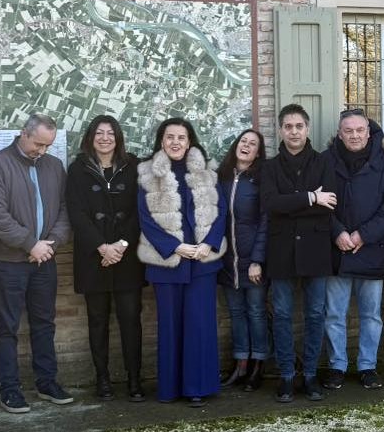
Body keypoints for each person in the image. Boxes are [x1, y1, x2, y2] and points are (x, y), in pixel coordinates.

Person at [0, 113, 73, 414]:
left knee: (44, 323)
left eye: (48, 145)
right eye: (38, 144)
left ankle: (47, 382)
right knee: (7, 327)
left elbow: (65, 209)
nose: (42, 151)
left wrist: (51, 244)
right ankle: (9, 389)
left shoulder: (54, 166)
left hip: (44, 259)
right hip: (7, 261)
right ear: (23, 134)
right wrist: (29, 244)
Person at [137, 118, 227, 407]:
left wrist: (207, 244)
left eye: (181, 137)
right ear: (161, 141)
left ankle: (197, 387)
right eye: (170, 137)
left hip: (202, 261)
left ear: (190, 142)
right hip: (168, 263)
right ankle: (170, 388)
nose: (175, 142)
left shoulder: (207, 173)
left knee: (199, 326)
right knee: (170, 326)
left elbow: (221, 211)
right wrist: (176, 247)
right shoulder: (148, 174)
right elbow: (145, 219)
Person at [322, 109, 384, 391]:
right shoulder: (325, 161)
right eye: (348, 131)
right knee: (334, 315)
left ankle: (368, 366)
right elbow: (319, 204)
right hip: (337, 250)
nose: (354, 135)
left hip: (372, 249)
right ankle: (337, 366)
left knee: (371, 315)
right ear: (339, 133)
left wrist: (363, 235)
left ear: (369, 133)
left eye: (359, 130)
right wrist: (337, 232)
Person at [66, 114, 145, 402]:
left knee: (130, 320)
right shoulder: (77, 169)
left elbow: (140, 210)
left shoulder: (133, 166)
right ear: (91, 137)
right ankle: (103, 379)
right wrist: (102, 247)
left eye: (110, 133)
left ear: (118, 138)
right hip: (94, 257)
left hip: (127, 256)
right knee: (97, 320)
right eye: (99, 133)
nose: (105, 138)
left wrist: (121, 245)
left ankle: (134, 380)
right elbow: (76, 213)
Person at [261, 103, 337, 403]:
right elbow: (270, 205)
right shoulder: (269, 167)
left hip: (316, 250)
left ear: (307, 129)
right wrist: (310, 197)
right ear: (281, 130)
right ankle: (286, 375)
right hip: (281, 250)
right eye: (288, 126)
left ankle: (310, 374)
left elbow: (329, 206)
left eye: (299, 126)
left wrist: (292, 203)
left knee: (316, 314)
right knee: (281, 315)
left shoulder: (323, 162)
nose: (294, 132)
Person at [217, 128, 269, 392]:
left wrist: (257, 260)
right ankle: (241, 364)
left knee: (256, 312)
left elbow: (266, 222)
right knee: (236, 313)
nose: (246, 145)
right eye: (243, 141)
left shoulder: (261, 180)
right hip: (228, 262)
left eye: (253, 144)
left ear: (258, 153)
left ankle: (258, 365)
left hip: (252, 262)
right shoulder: (222, 177)